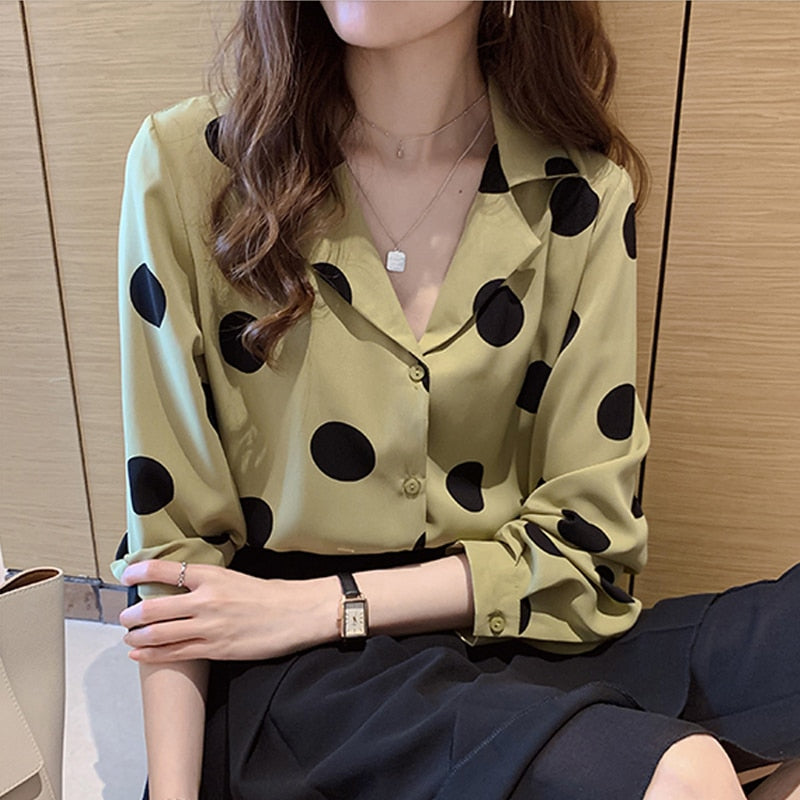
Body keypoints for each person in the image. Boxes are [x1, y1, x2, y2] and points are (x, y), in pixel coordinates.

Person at [111, 2, 800, 799]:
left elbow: (589, 544)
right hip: (300, 672)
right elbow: (173, 554)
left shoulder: (577, 192)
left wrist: (333, 605)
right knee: (683, 773)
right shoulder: (191, 168)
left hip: (501, 621)